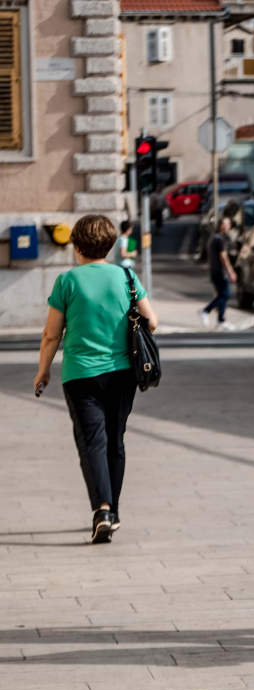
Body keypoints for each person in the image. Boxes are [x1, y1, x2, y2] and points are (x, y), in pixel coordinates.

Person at [33, 215, 159, 544]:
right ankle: (112, 512)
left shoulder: (67, 281)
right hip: (123, 373)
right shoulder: (127, 277)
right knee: (115, 441)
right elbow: (152, 322)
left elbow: (51, 334)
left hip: (80, 374)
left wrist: (43, 370)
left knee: (92, 442)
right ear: (111, 245)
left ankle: (102, 510)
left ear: (76, 246)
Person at [199, 217, 237, 331]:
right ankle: (205, 311)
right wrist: (231, 272)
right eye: (227, 224)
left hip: (214, 271)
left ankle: (221, 321)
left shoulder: (213, 237)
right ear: (221, 225)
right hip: (220, 272)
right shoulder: (220, 239)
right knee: (225, 295)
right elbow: (223, 257)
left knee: (222, 295)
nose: (229, 226)